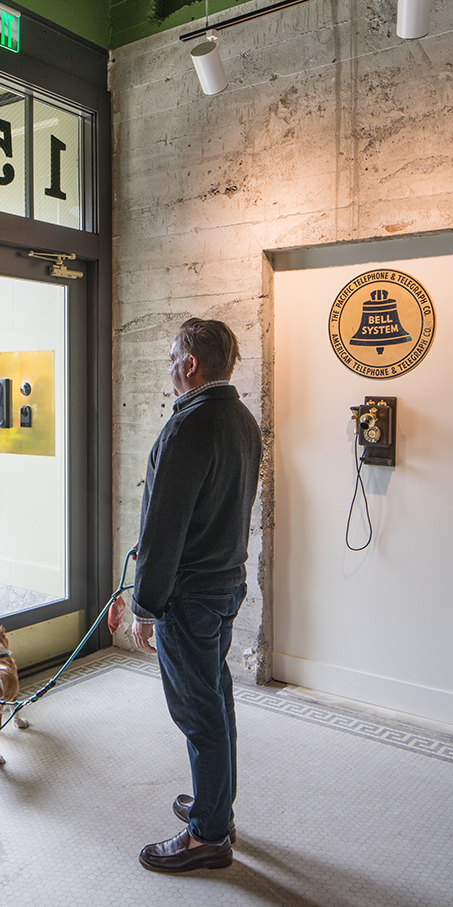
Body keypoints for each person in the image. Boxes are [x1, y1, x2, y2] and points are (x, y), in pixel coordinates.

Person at [117, 317, 262, 873]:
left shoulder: (187, 426)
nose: (168, 364)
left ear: (192, 364)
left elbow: (167, 526)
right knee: (215, 699)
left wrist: (145, 607)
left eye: (173, 354)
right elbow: (211, 509)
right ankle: (214, 808)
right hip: (226, 584)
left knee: (198, 712)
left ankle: (207, 836)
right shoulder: (242, 421)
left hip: (188, 595)